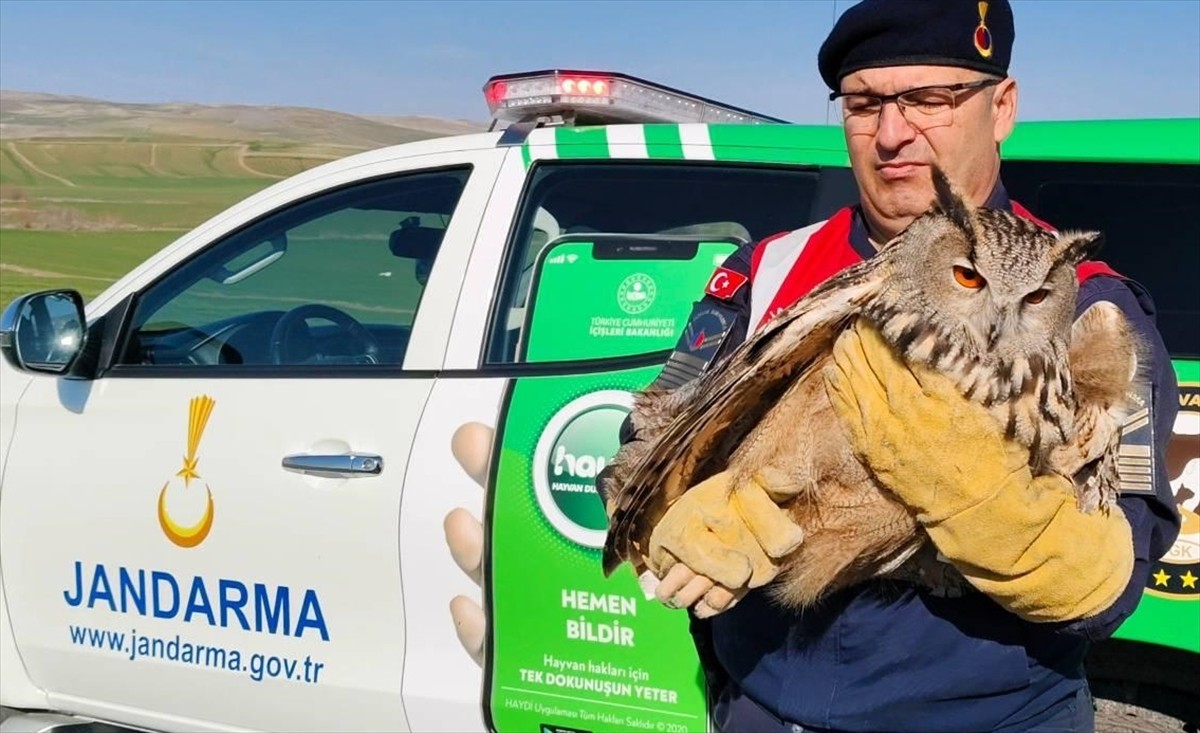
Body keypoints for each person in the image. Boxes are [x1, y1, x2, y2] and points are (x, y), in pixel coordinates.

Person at [597, 1, 1182, 732]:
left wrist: (1001, 519)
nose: (892, 133)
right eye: (865, 102)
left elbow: (1121, 565)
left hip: (984, 716)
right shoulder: (769, 269)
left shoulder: (1086, 302)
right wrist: (669, 515)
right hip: (765, 703)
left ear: (1001, 108)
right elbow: (649, 434)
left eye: (929, 99)